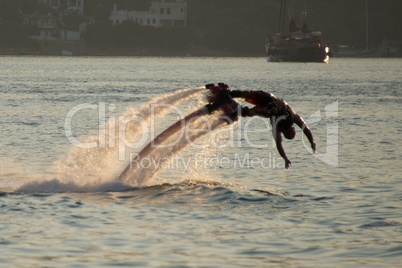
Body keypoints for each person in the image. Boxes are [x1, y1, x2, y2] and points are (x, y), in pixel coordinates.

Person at [203, 83, 316, 169]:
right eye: (289, 131)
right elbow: (305, 129)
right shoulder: (291, 118)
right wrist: (311, 142)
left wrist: (285, 158)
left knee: (249, 109)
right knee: (246, 98)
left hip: (267, 107)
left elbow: (281, 143)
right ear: (292, 128)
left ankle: (229, 104)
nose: (287, 130)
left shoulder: (279, 126)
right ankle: (227, 96)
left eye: (287, 132)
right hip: (269, 100)